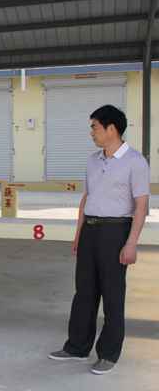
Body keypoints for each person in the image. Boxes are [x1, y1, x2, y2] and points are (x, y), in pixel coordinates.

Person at [48, 105, 150, 375]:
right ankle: (77, 347)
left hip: (116, 231)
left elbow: (141, 206)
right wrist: (78, 234)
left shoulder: (135, 161)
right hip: (90, 231)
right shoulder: (92, 161)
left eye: (94, 127)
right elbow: (87, 198)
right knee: (84, 291)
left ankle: (108, 354)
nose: (91, 132)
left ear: (111, 129)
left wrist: (131, 243)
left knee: (112, 294)